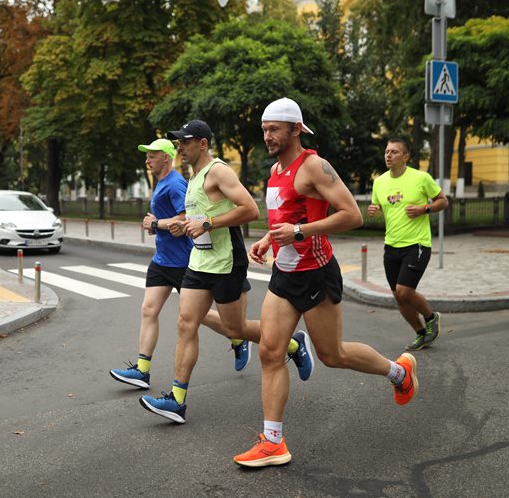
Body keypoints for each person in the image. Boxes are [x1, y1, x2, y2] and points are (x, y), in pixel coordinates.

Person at [233, 98, 419, 467]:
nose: (267, 136)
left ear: (296, 129)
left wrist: (299, 231)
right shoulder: (274, 171)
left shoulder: (314, 166)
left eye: (274, 129)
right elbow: (284, 217)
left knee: (333, 355)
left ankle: (400, 371)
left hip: (316, 273)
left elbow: (351, 215)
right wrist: (269, 239)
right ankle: (273, 443)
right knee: (271, 352)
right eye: (264, 129)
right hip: (284, 275)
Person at [139, 120, 314, 424]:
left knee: (236, 328)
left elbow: (250, 209)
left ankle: (294, 344)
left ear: (203, 143)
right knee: (185, 322)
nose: (181, 146)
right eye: (178, 142)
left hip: (227, 262)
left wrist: (208, 223)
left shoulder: (218, 170)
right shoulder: (192, 177)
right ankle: (176, 400)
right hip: (199, 261)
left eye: (186, 141)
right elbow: (198, 217)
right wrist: (186, 226)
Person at [367, 138, 448, 351]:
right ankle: (421, 333)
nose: (388, 155)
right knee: (397, 296)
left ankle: (431, 317)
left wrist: (424, 209)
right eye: (386, 151)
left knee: (404, 291)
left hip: (417, 244)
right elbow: (380, 206)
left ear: (406, 156)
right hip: (391, 245)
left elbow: (443, 200)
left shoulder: (421, 178)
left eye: (394, 151)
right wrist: (374, 210)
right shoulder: (380, 182)